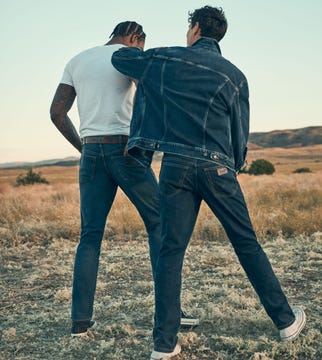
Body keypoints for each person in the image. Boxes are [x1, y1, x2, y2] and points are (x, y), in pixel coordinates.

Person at [111, 6, 306, 359]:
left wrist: (126, 44)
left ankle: (164, 345)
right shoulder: (235, 76)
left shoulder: (168, 58)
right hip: (218, 168)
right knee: (247, 245)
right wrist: (234, 164)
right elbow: (239, 133)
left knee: (171, 251)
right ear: (220, 35)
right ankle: (287, 322)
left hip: (175, 168)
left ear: (195, 28)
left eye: (190, 28)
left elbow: (122, 60)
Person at [49, 21, 198, 338]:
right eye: (139, 46)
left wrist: (84, 147)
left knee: (90, 236)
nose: (138, 52)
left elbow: (57, 113)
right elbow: (158, 98)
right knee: (160, 224)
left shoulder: (77, 60)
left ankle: (80, 323)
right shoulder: (128, 57)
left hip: (91, 153)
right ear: (134, 38)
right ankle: (171, 311)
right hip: (125, 151)